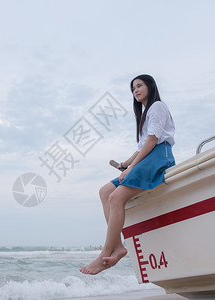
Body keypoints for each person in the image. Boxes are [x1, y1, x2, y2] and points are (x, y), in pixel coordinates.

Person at [79, 74, 175, 275]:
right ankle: (118, 246)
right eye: (133, 88)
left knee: (116, 197)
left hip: (159, 157)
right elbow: (141, 147)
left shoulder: (157, 106)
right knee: (105, 191)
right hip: (146, 157)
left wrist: (131, 169)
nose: (136, 91)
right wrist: (125, 163)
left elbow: (152, 141)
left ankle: (106, 251)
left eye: (139, 86)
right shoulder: (145, 113)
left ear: (150, 86)